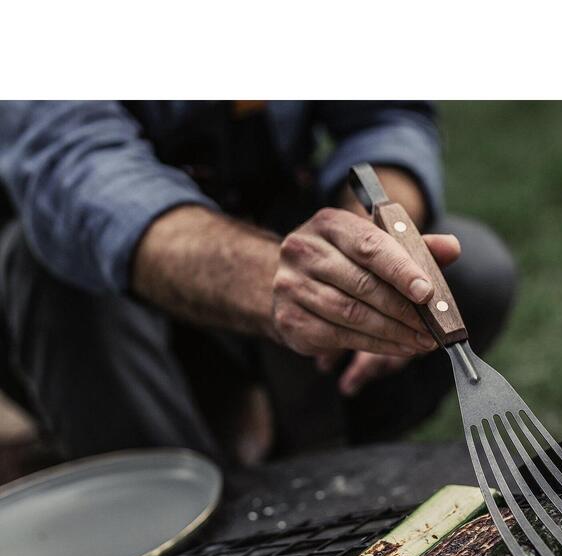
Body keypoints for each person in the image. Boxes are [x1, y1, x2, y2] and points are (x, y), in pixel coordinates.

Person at [0, 101, 516, 466]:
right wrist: (275, 278)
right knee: (44, 261)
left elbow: (384, 116)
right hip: (124, 283)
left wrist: (365, 254)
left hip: (272, 215)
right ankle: (176, 530)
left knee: (474, 272)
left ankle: (307, 473)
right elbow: (78, 174)